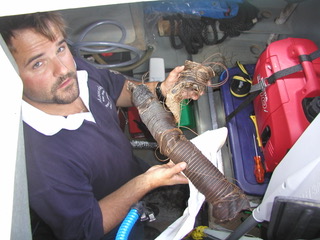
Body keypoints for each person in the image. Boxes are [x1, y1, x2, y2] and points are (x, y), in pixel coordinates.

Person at [0, 12, 203, 240]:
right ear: (10, 78)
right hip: (110, 225)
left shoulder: (77, 71)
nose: (63, 69)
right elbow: (86, 228)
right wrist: (145, 183)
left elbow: (117, 87)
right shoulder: (41, 163)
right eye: (38, 63)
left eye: (60, 48)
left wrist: (160, 89)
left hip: (129, 173)